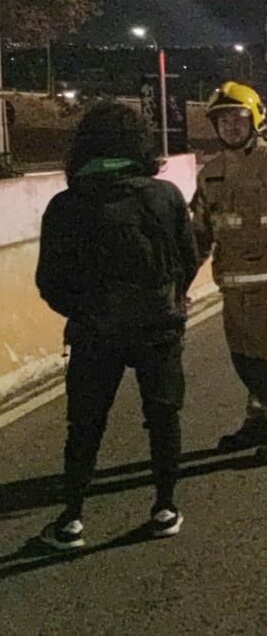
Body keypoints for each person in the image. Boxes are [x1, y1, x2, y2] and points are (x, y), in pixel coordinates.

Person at [35, 102, 198, 550]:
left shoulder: (66, 205)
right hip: (159, 328)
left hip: (94, 333)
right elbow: (188, 259)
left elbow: (48, 280)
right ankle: (165, 508)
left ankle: (71, 520)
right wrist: (166, 299)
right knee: (163, 418)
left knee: (85, 426)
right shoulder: (164, 196)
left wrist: (86, 312)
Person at [191, 82, 267, 463]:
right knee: (245, 359)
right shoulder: (211, 174)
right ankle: (259, 421)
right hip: (233, 288)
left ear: (255, 119)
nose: (230, 127)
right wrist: (180, 275)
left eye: (238, 118)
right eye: (223, 120)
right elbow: (200, 230)